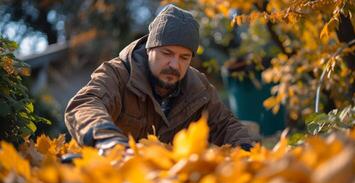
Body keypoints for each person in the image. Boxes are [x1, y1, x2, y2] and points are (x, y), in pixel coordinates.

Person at [64, 4, 253, 152]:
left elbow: (226, 125)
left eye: (184, 57)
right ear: (149, 49)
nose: (174, 64)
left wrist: (248, 151)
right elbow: (84, 104)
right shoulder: (117, 74)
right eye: (167, 53)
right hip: (117, 176)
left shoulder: (200, 88)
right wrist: (107, 140)